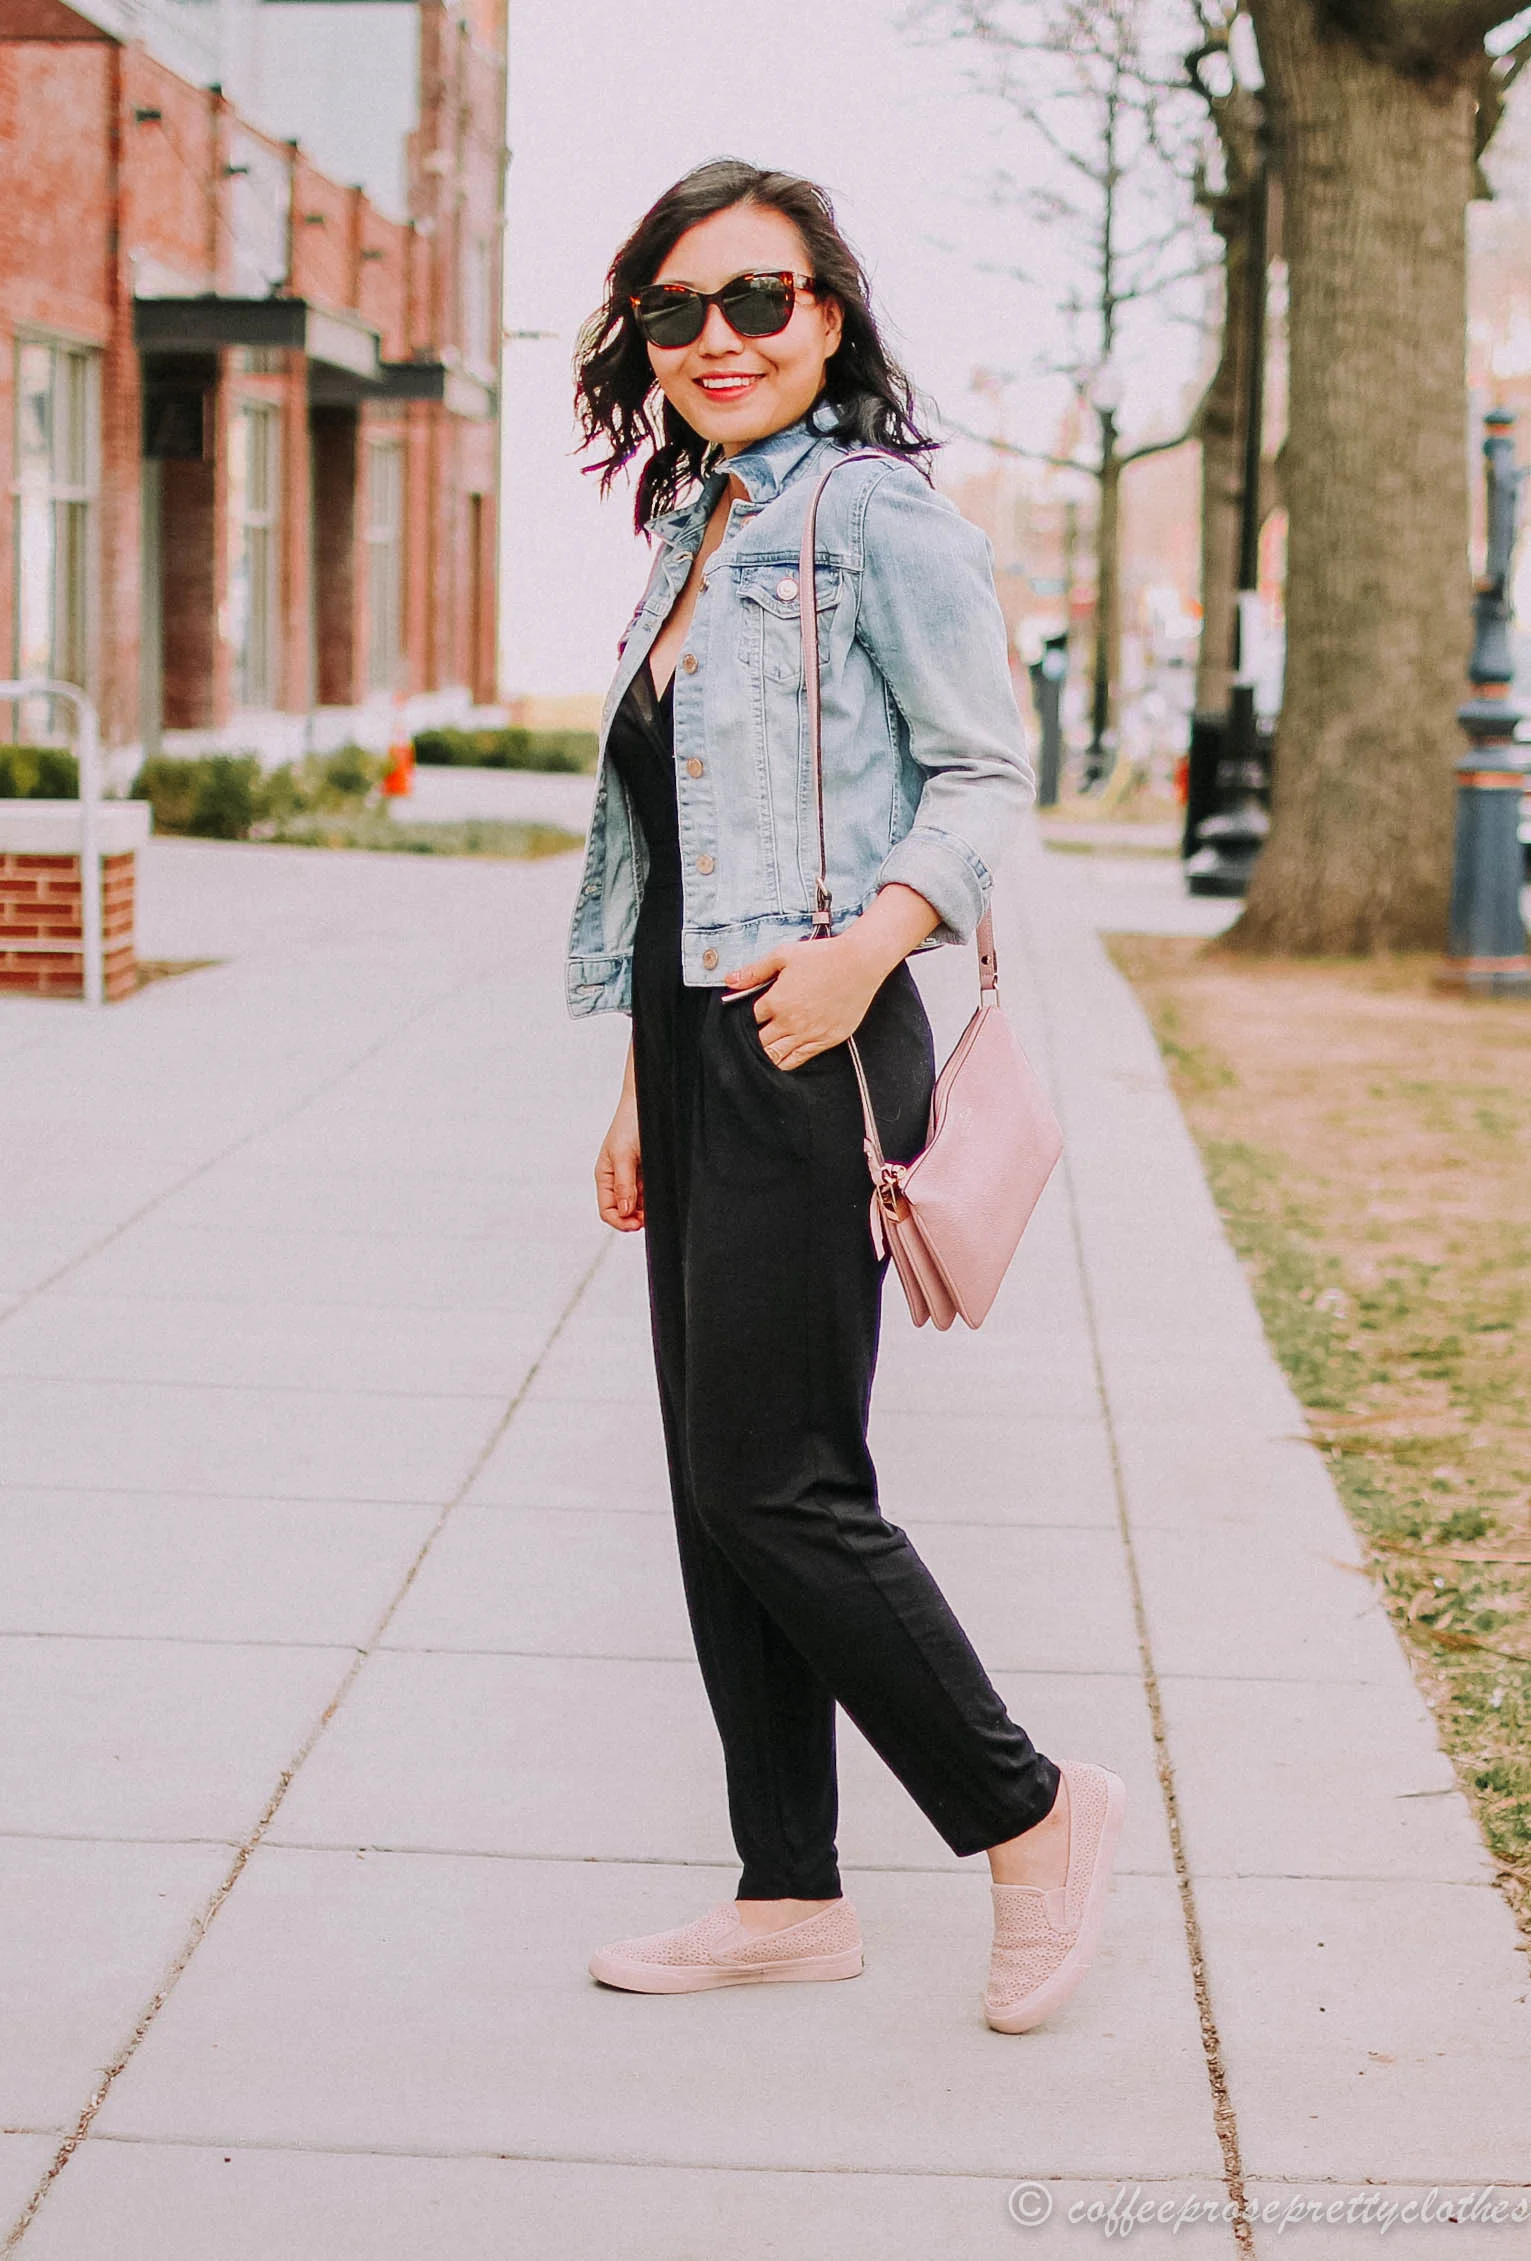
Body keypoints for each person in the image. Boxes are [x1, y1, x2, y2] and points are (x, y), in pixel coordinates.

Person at [566, 158, 1125, 2032]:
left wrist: (859, 948)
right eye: (676, 311)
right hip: (698, 1038)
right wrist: (645, 1078)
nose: (718, 340)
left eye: (760, 300)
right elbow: (659, 841)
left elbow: (980, 779)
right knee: (715, 1487)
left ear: (829, 314)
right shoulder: (694, 524)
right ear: (640, 338)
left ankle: (1030, 1812)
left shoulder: (878, 520)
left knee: (775, 1481)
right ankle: (789, 1889)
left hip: (816, 1027)